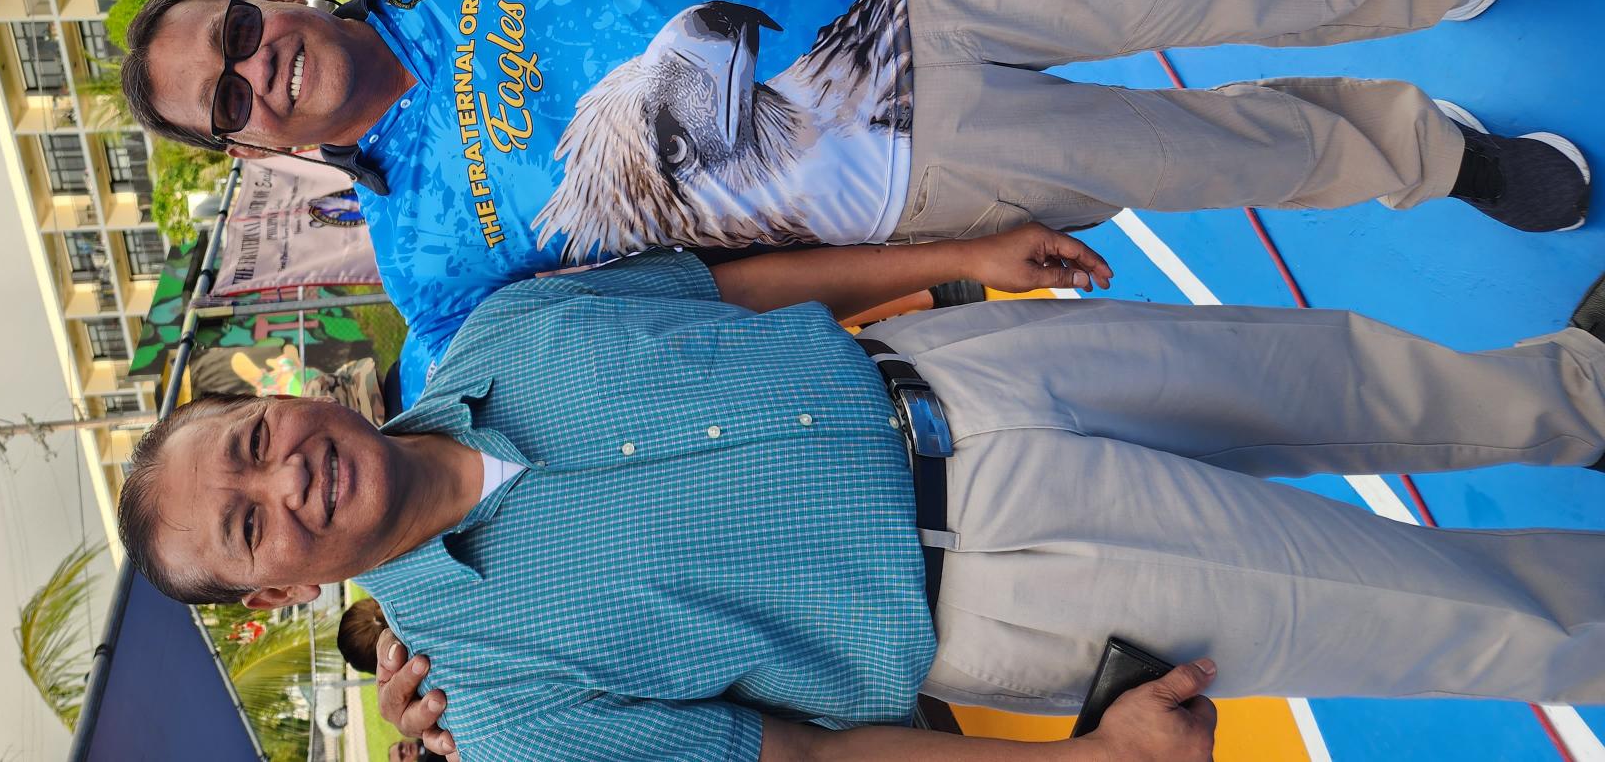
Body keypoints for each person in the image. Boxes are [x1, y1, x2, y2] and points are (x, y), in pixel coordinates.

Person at [119, 0, 1600, 395]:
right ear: (247, 150)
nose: (262, 65)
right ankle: (1437, 156)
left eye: (238, 28)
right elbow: (524, 419)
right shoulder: (427, 275)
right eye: (229, 96)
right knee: (1219, 160)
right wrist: (418, 653)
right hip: (901, 180)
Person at [114, 247, 1605, 761]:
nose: (282, 475)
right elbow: (806, 757)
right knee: (1413, 612)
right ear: (275, 594)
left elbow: (731, 288)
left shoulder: (496, 336)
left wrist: (965, 254)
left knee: (1338, 374)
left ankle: (1578, 396)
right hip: (993, 578)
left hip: (964, 364)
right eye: (248, 522)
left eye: (246, 437)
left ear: (274, 394)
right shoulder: (500, 710)